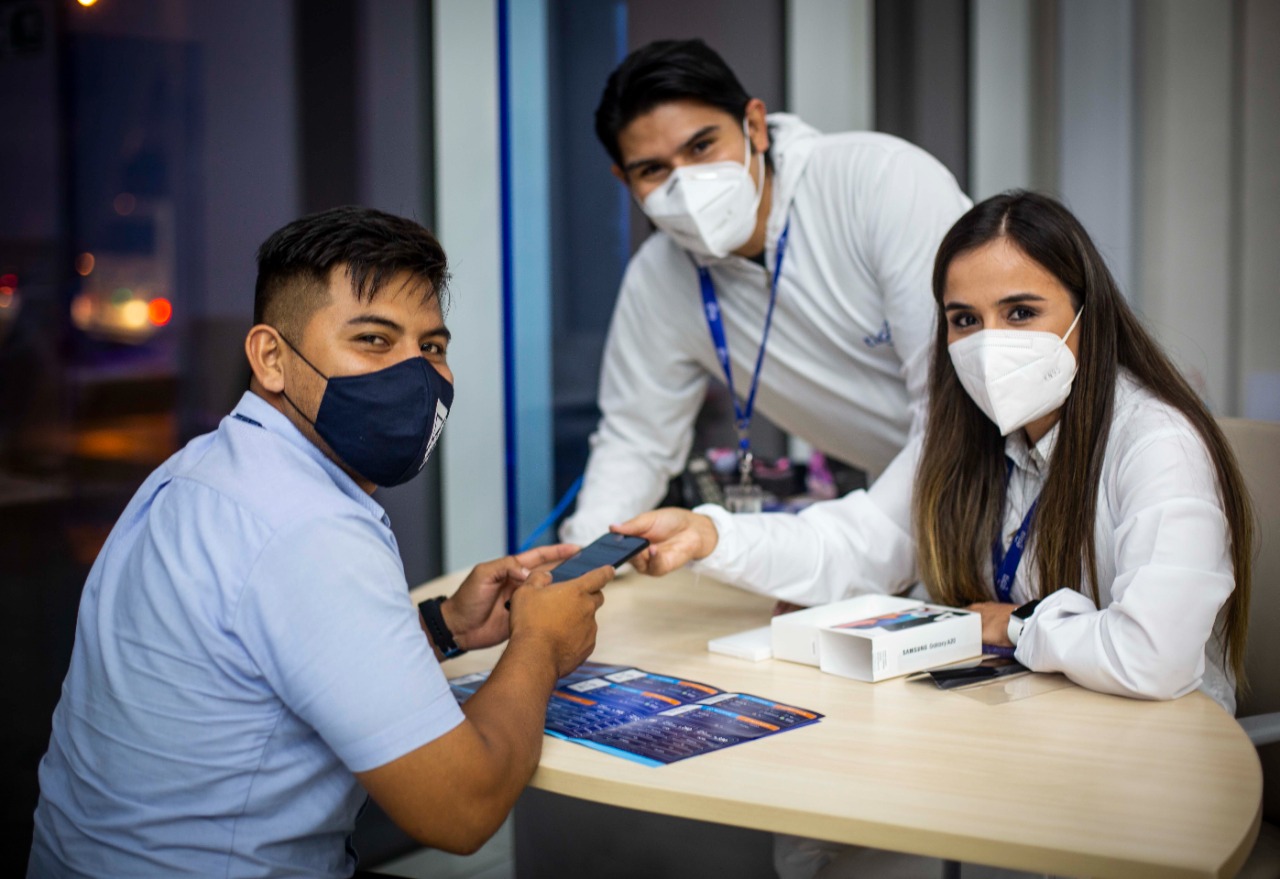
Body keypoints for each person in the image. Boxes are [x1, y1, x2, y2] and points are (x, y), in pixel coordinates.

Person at [27, 206, 614, 878]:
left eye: (431, 347)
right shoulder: (308, 527)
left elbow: (259, 659)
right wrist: (541, 641)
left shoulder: (203, 468)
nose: (415, 374)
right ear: (271, 357)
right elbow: (461, 810)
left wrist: (441, 626)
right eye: (372, 339)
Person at [616, 190, 1253, 715]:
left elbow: (1154, 654)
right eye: (965, 320)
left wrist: (1016, 625)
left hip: (1159, 746)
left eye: (1022, 312)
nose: (988, 344)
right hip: (1031, 721)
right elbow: (860, 541)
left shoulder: (1156, 443)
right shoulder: (966, 434)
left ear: (1089, 314)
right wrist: (708, 535)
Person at [560, 38, 971, 542]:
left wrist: (842, 555)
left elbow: (954, 409)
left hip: (1014, 481)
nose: (686, 185)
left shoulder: (877, 183)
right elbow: (636, 440)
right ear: (624, 180)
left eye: (702, 146)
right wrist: (581, 557)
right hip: (913, 513)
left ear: (754, 125)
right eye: (653, 170)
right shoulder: (658, 279)